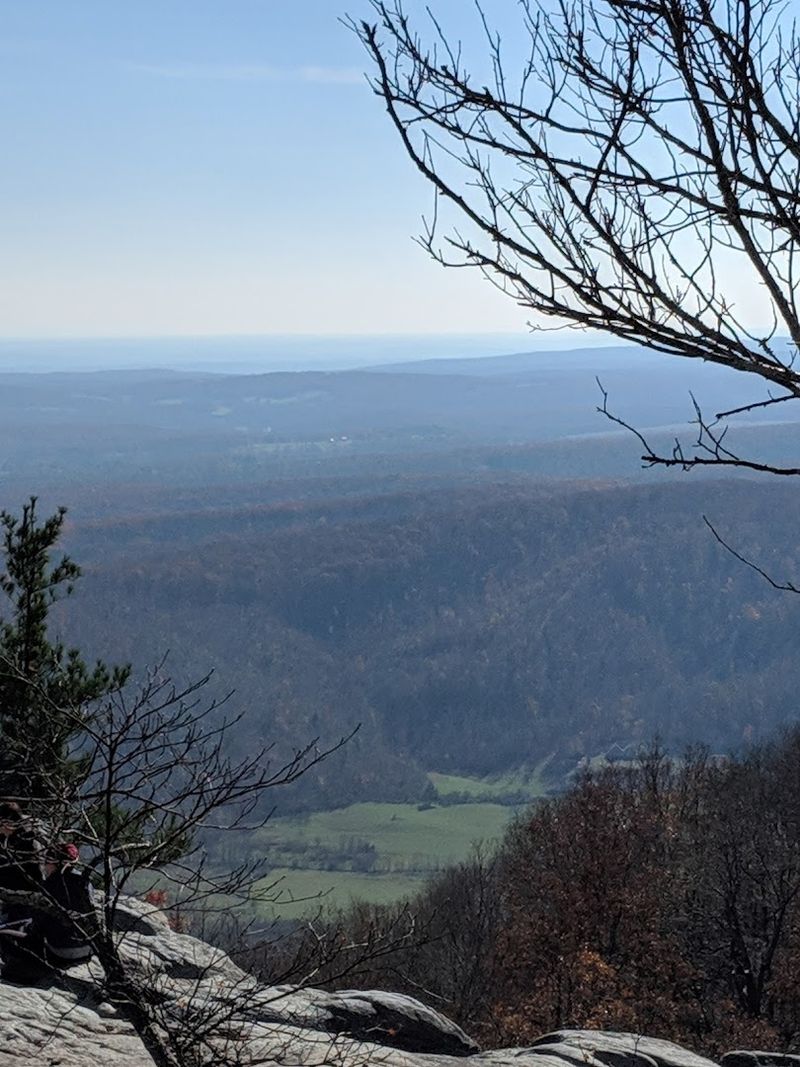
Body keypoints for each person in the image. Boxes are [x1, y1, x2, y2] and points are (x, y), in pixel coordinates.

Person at [0, 801, 45, 982]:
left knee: (11, 930)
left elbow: (37, 880)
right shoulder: (9, 836)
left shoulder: (28, 841)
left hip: (26, 897)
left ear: (7, 823)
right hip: (13, 888)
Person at [39, 842, 95, 970]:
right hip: (88, 949)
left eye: (47, 862)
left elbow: (40, 920)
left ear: (56, 864)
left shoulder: (50, 885)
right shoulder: (85, 882)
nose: (45, 866)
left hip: (61, 951)